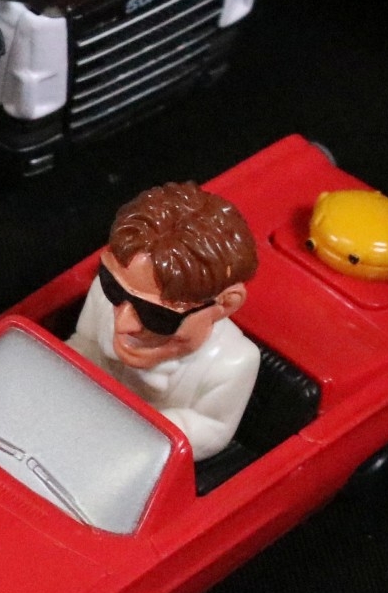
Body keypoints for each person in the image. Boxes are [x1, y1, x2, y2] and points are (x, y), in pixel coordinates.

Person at [68, 181, 260, 461]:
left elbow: (212, 429)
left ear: (225, 304)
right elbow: (81, 347)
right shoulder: (102, 297)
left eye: (157, 315)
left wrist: (137, 433)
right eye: (113, 288)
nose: (123, 324)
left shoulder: (233, 361)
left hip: (137, 453)